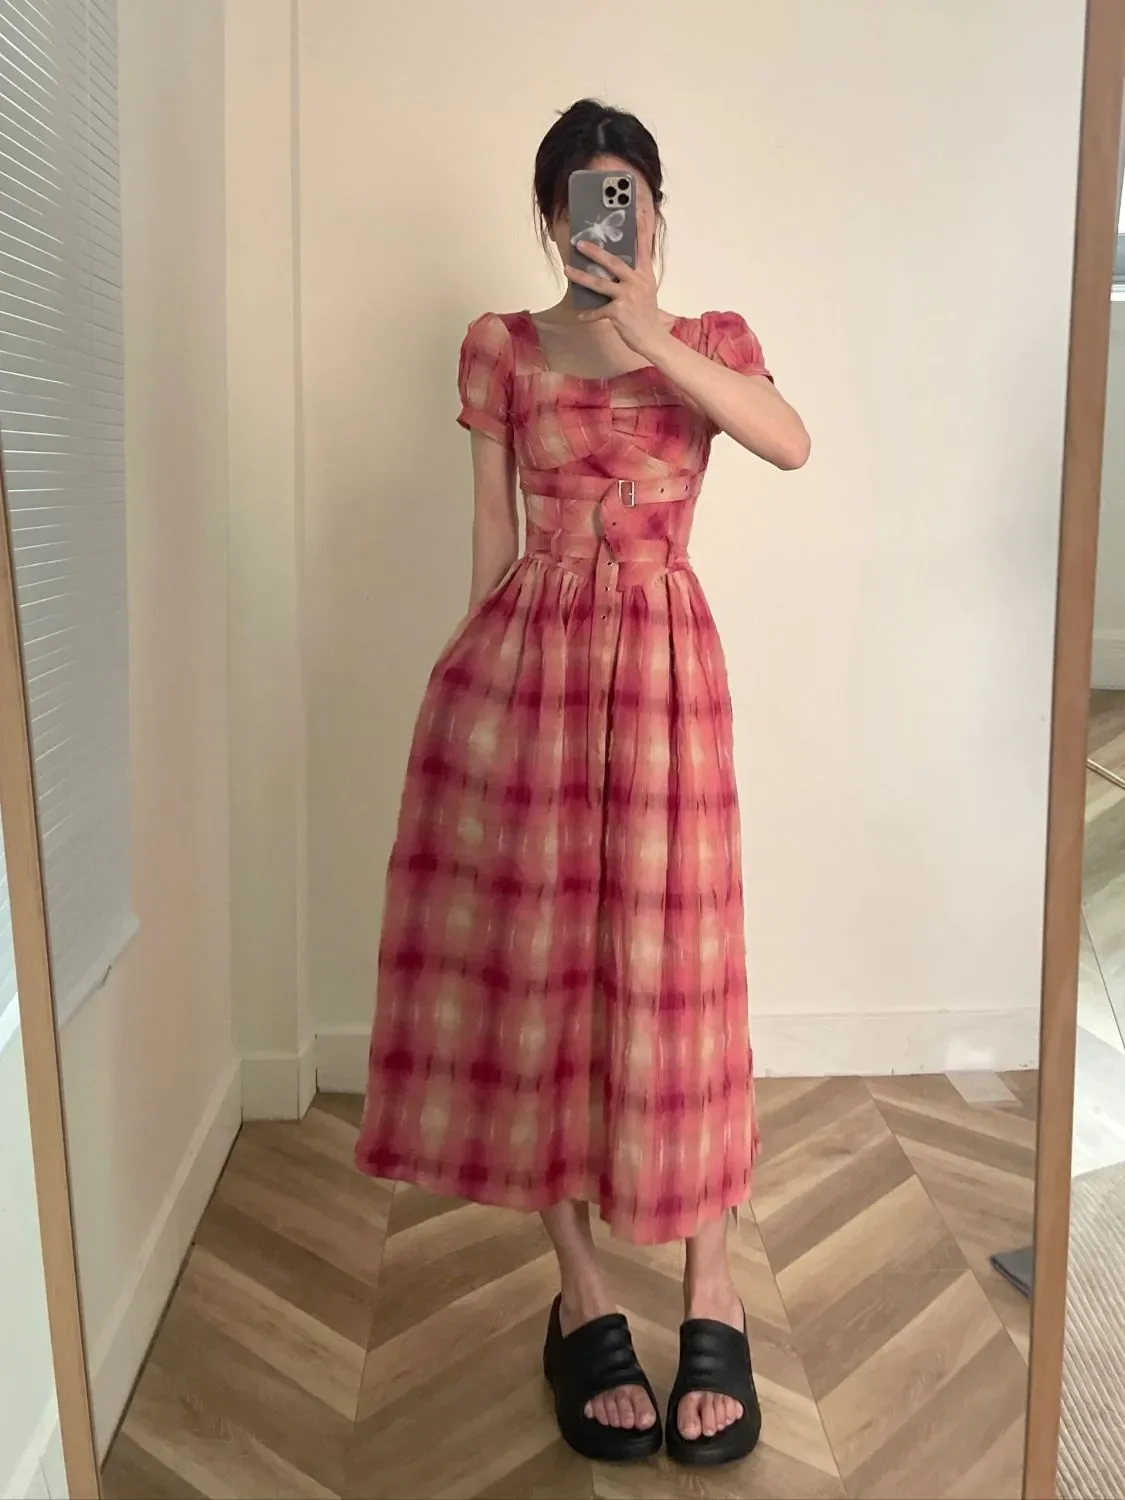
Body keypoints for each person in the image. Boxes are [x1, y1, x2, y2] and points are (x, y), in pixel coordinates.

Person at [355, 98, 809, 1468]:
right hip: (533, 682)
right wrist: (462, 696)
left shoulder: (710, 342)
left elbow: (790, 442)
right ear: (551, 221)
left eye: (629, 201)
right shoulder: (500, 347)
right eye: (580, 206)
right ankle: (582, 1292)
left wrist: (651, 332)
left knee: (683, 983)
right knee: (540, 978)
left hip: (666, 688)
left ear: (656, 213)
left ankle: (713, 1289)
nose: (606, 225)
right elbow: (490, 543)